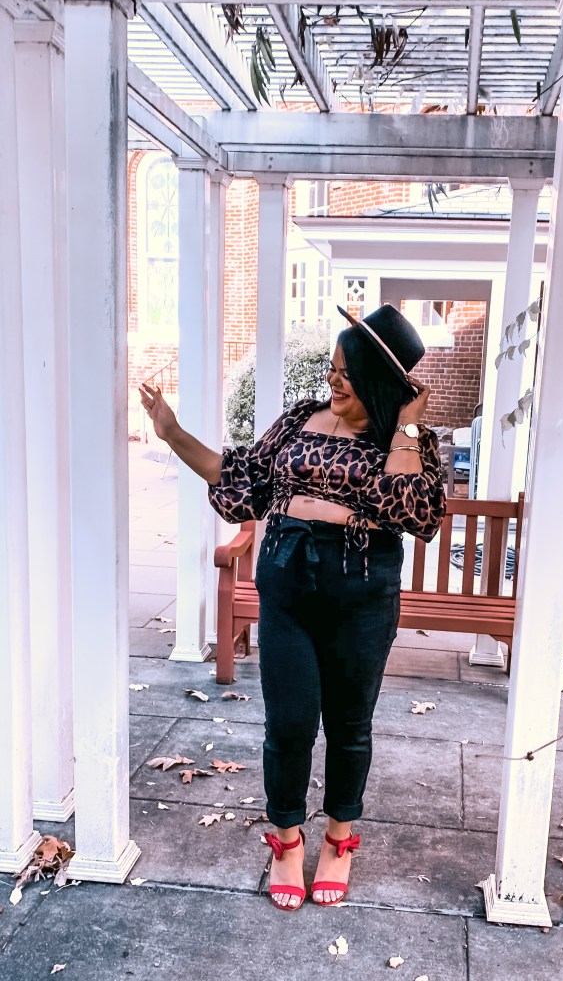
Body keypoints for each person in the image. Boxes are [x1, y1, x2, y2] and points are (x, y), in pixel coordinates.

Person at [140, 303, 445, 912]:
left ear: (378, 381)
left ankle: (338, 838)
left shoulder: (406, 442)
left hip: (362, 591)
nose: (334, 380)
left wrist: (407, 428)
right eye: (332, 367)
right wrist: (172, 433)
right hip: (287, 580)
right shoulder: (300, 420)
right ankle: (285, 840)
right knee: (289, 723)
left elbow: (414, 511)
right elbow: (239, 476)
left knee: (349, 726)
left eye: (347, 372)